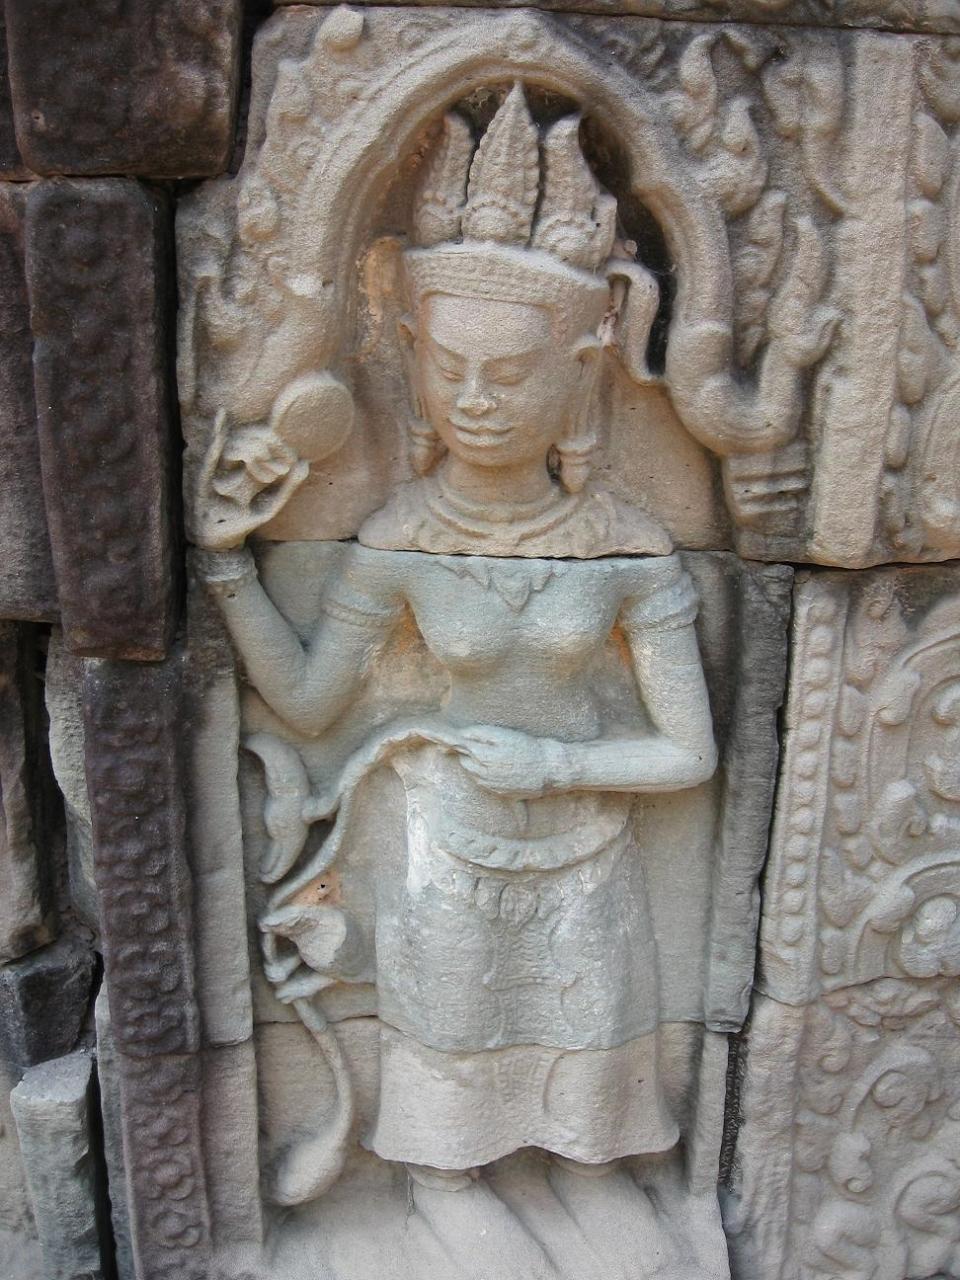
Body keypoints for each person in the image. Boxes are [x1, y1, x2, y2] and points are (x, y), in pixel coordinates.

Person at [197, 84, 717, 1207]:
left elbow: (690, 752)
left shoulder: (627, 546)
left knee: (594, 1154)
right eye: (450, 367)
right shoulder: (397, 537)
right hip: (444, 858)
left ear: (579, 373)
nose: (476, 399)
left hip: (589, 858)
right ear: (414, 360)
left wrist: (556, 765)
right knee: (447, 1165)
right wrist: (229, 563)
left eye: (511, 372)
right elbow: (307, 701)